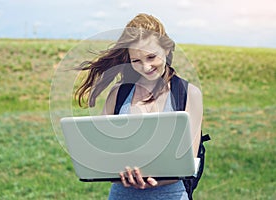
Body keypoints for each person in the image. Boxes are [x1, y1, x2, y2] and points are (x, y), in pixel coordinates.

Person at [74, 13, 203, 200]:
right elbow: (100, 153)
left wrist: (154, 180)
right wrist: (118, 174)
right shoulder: (118, 94)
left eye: (152, 57)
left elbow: (188, 163)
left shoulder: (189, 94)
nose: (146, 66)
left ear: (166, 50)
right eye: (136, 61)